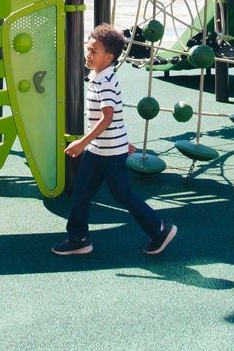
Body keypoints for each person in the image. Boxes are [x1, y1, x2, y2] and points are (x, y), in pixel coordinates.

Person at [52, 24, 176, 258]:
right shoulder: (99, 76)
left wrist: (82, 142)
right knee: (82, 193)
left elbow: (108, 117)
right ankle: (78, 238)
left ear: (108, 57)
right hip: (103, 148)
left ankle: (159, 228)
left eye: (94, 51)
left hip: (106, 152)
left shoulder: (104, 82)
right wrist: (121, 141)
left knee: (122, 194)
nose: (88, 54)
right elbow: (115, 116)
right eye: (88, 49)